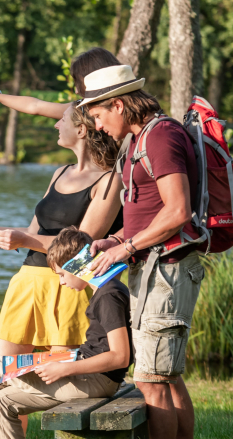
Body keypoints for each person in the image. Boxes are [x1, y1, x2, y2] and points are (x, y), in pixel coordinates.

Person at [0, 47, 125, 436]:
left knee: (40, 383)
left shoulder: (109, 179)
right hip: (28, 284)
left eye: (64, 119)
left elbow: (83, 246)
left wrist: (26, 238)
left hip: (68, 289)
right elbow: (35, 229)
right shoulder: (59, 171)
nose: (56, 123)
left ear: (82, 127)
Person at [82, 64, 204, 439]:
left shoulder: (161, 137)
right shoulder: (138, 140)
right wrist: (117, 240)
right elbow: (148, 215)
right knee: (165, 378)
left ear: (118, 105)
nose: (99, 127)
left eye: (99, 116)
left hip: (166, 271)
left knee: (151, 381)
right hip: (154, 267)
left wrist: (128, 247)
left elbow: (179, 211)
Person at [0, 227, 132, 439]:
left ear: (78, 266)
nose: (61, 282)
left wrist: (64, 370)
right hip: (82, 368)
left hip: (96, 380)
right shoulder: (103, 288)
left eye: (61, 274)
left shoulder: (108, 296)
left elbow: (121, 357)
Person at [0, 47, 122, 120]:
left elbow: (36, 107)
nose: (77, 90)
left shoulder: (130, 112)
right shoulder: (84, 109)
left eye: (78, 82)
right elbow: (35, 106)